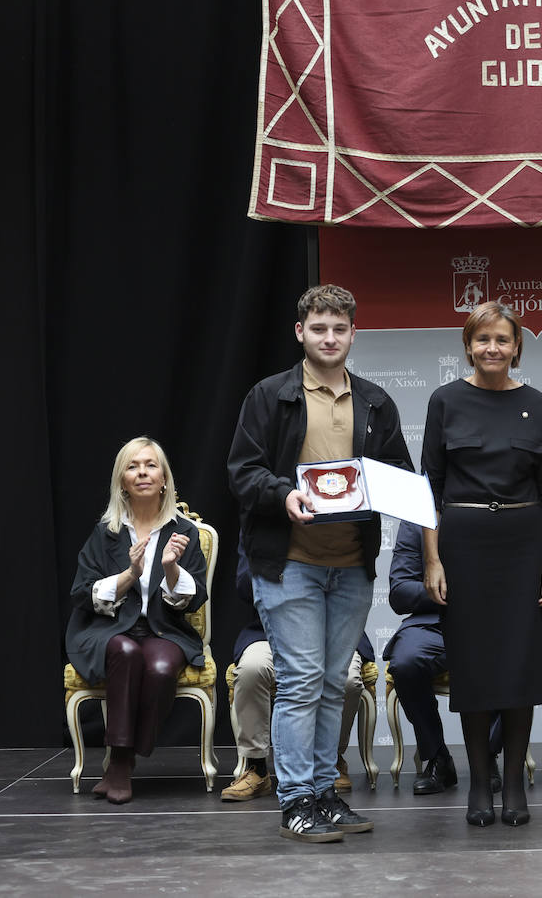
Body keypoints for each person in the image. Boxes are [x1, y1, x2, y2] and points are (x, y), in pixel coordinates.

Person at [227, 284, 412, 843]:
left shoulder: (376, 401)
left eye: (339, 329)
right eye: (319, 328)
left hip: (351, 565)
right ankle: (295, 800)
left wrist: (391, 490)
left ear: (353, 334)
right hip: (289, 563)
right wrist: (283, 493)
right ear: (300, 333)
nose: (329, 338)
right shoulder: (270, 396)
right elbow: (242, 471)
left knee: (335, 682)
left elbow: (397, 471)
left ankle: (326, 796)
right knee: (302, 681)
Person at [421, 300, 542, 827]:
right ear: (468, 345)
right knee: (476, 667)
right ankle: (480, 782)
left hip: (524, 545)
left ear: (517, 346)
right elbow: (427, 488)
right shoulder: (445, 400)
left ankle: (516, 784)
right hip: (463, 545)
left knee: (520, 663)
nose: (493, 349)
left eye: (502, 339)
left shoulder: (537, 402)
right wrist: (432, 559)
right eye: (483, 340)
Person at [66, 437, 208, 805]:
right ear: (122, 481)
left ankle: (122, 758)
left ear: (164, 478)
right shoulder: (106, 533)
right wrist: (130, 573)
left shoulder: (185, 532)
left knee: (161, 668)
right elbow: (81, 593)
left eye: (150, 465)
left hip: (165, 629)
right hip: (107, 631)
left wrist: (171, 567)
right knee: (126, 651)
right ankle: (120, 765)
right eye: (132, 466)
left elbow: (195, 599)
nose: (142, 472)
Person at [220, 549, 378, 801]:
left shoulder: (340, 529)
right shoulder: (264, 524)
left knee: (347, 679)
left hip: (331, 633)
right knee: (252, 669)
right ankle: (256, 767)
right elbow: (243, 584)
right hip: (270, 630)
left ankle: (331, 761)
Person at [387, 520, 510, 796]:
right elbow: (399, 592)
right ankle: (437, 757)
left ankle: (488, 755)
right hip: (430, 623)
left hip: (484, 621)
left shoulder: (489, 510)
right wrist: (447, 589)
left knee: (508, 652)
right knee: (405, 662)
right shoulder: (416, 519)